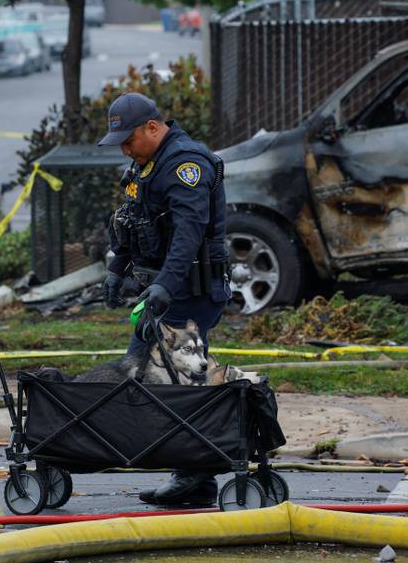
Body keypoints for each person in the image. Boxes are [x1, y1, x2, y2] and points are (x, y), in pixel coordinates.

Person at [97, 92, 229, 507]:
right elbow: (132, 221)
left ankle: (193, 473)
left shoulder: (186, 164)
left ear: (152, 127)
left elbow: (189, 233)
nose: (124, 148)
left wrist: (165, 286)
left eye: (129, 139)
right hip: (168, 291)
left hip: (191, 291)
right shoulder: (146, 164)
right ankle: (196, 478)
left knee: (163, 379)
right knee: (163, 379)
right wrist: (118, 269)